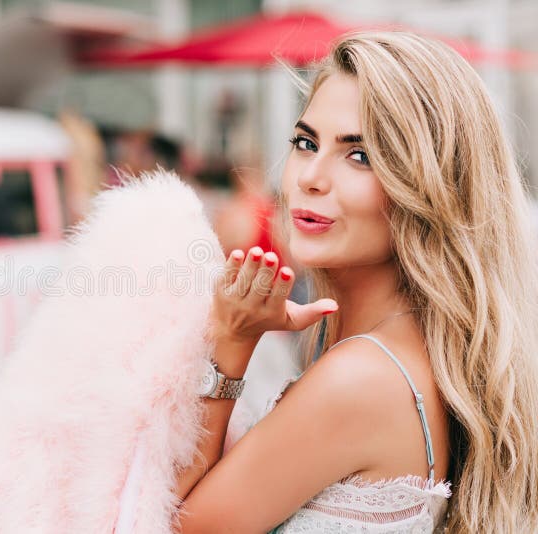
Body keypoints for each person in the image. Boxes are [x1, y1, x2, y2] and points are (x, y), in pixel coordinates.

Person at [173, 31, 538, 533]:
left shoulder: (360, 377)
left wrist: (231, 344)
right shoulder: (418, 354)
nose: (310, 177)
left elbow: (166, 525)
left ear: (428, 187)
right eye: (306, 143)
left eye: (360, 155)